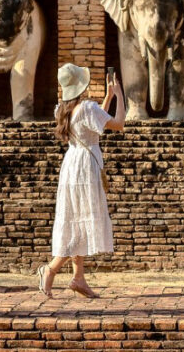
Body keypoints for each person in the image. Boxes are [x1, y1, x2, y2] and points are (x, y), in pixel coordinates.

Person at [37, 63, 125, 298]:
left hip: (72, 165)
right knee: (83, 222)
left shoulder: (62, 109)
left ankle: (78, 278)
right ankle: (51, 269)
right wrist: (119, 96)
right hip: (86, 167)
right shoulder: (86, 107)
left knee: (76, 219)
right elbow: (118, 124)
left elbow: (95, 123)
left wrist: (107, 98)